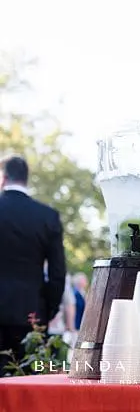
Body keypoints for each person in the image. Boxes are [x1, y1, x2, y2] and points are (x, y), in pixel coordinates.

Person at [0, 156, 66, 370]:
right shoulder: (47, 216)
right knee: (30, 378)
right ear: (26, 179)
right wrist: (48, 310)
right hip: (31, 313)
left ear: (4, 178)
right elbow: (57, 272)